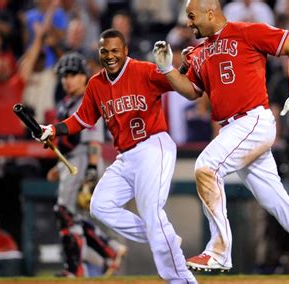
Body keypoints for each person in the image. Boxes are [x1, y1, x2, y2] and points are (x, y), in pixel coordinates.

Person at [152, 0, 289, 283]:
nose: (188, 23)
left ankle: (219, 249)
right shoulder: (200, 51)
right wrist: (168, 69)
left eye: (192, 16)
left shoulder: (246, 31)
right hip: (234, 129)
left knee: (206, 167)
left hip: (252, 119)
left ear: (210, 12)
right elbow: (192, 92)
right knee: (276, 201)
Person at [37, 29, 197, 283]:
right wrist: (53, 129)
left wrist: (182, 65)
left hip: (153, 146)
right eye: (104, 51)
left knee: (152, 213)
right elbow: (81, 119)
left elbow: (179, 83)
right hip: (126, 157)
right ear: (98, 53)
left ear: (125, 51)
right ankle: (163, 234)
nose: (110, 56)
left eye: (114, 50)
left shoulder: (143, 70)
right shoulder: (96, 84)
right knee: (100, 206)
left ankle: (182, 280)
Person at [46, 51, 126, 277]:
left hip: (82, 161)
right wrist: (58, 166)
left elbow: (93, 141)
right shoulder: (66, 102)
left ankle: (79, 267)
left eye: (73, 74)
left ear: (84, 76)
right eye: (65, 75)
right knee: (72, 217)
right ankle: (108, 252)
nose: (67, 79)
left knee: (65, 213)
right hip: (70, 161)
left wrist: (91, 171)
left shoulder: (87, 100)